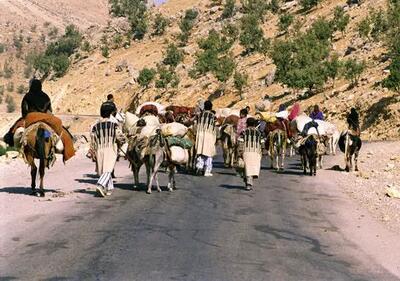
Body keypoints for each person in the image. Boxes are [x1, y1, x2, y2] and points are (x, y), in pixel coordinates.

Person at [90, 104, 124, 197]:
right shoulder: (114, 125)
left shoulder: (95, 126)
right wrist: (122, 141)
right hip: (110, 148)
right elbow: (120, 137)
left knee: (103, 169)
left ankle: (109, 188)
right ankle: (100, 185)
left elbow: (93, 140)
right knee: (108, 169)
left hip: (99, 149)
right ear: (111, 113)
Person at [237, 118, 265, 190]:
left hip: (246, 152)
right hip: (256, 153)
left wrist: (239, 152)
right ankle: (249, 182)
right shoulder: (259, 132)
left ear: (247, 124)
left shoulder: (244, 132)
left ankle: (248, 183)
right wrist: (263, 151)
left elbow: (240, 142)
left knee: (247, 167)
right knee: (253, 167)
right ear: (254, 124)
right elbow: (262, 143)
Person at [195, 100, 217, 177]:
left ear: (204, 106)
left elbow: (196, 124)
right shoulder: (213, 116)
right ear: (211, 107)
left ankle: (199, 166)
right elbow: (214, 127)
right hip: (209, 134)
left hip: (200, 133)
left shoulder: (200, 115)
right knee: (209, 153)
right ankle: (207, 171)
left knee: (201, 151)